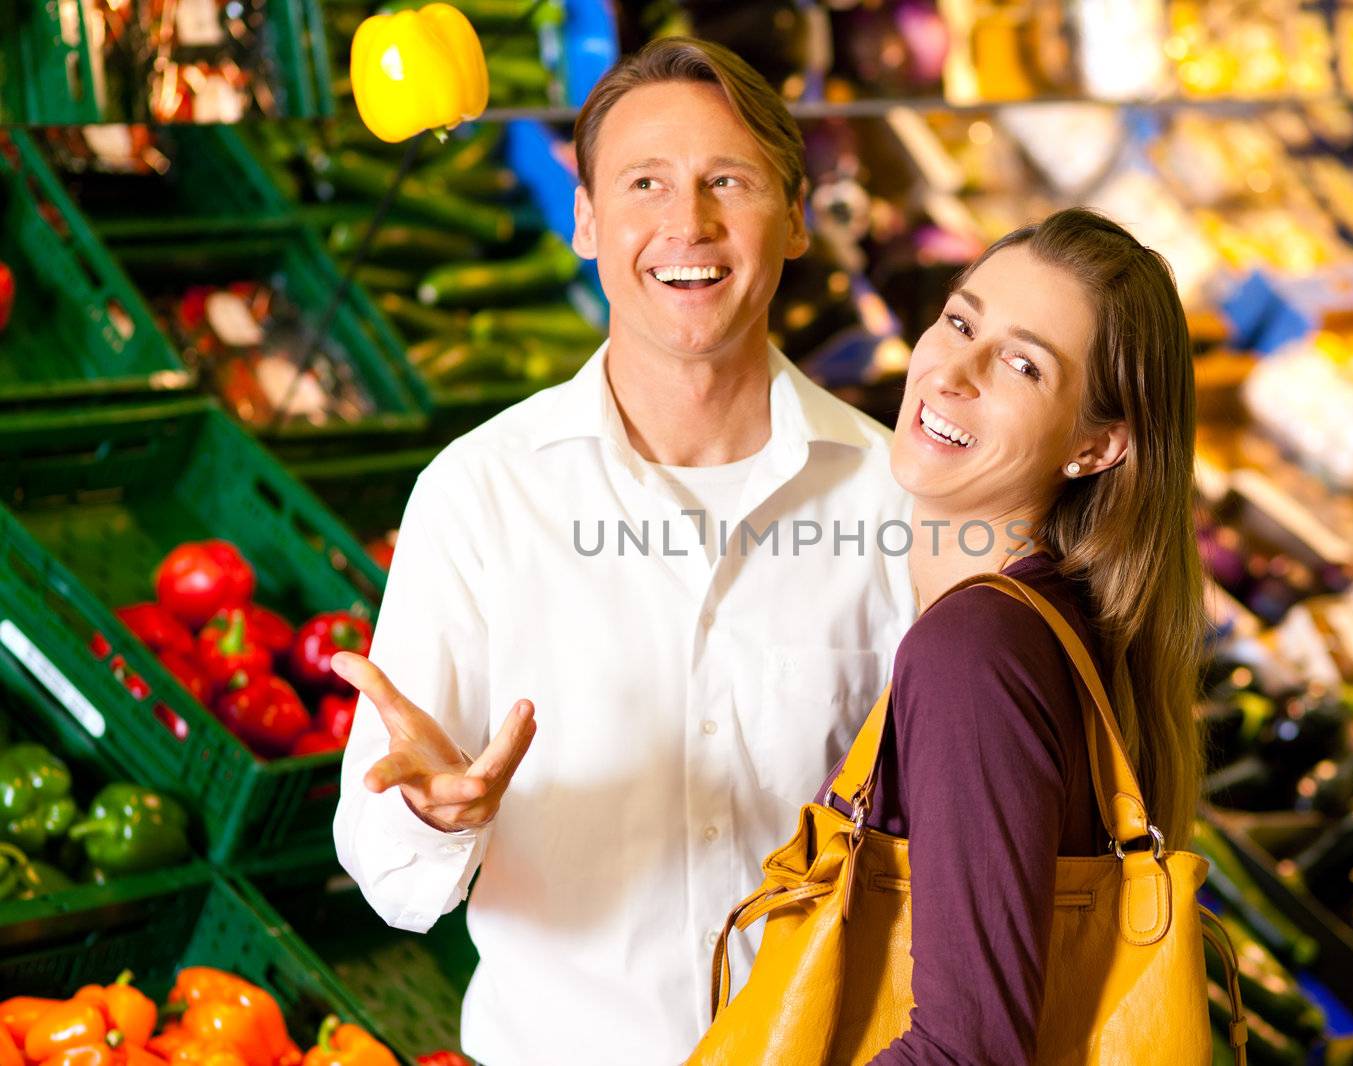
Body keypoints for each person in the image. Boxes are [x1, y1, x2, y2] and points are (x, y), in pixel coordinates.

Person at [329, 38, 917, 1066]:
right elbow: (389, 876)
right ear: (587, 222)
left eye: (726, 182)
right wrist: (432, 814)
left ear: (792, 221)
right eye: (645, 183)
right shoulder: (481, 494)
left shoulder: (893, 497)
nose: (685, 223)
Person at [700, 208, 1206, 1062]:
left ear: (1096, 446)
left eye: (1022, 364)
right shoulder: (1052, 621)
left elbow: (964, 1052)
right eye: (961, 321)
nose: (954, 371)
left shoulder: (974, 653)